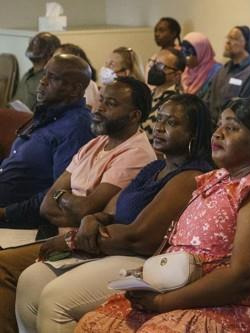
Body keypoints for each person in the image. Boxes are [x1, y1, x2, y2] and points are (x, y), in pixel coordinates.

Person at [75, 98, 250, 333]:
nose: (217, 134)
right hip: (184, 288)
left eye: (232, 128)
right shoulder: (220, 178)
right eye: (219, 125)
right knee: (95, 324)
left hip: (249, 306)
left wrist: (163, 303)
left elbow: (248, 276)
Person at [16, 94, 213, 333]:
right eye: (159, 119)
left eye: (171, 123)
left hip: (145, 259)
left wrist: (73, 240)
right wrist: (92, 219)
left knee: (55, 298)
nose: (159, 128)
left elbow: (138, 237)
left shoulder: (190, 176)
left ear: (194, 134)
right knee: (31, 279)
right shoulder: (155, 167)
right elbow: (110, 211)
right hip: (112, 246)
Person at [0, 77, 157, 333]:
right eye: (101, 100)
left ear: (134, 115)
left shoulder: (136, 153)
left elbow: (88, 211)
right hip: (60, 235)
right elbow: (47, 205)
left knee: (4, 266)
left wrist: (69, 202)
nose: (98, 108)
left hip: (90, 246)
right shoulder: (95, 143)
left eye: (111, 104)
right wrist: (71, 202)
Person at [0, 54, 94, 239]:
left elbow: (59, 192)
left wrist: (6, 213)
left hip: (20, 222)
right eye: (44, 75)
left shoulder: (77, 128)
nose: (42, 82)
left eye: (52, 78)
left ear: (75, 89)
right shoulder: (47, 114)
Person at [208, 26, 250, 124]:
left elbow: (249, 112)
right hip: (214, 127)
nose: (228, 42)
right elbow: (210, 100)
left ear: (247, 44)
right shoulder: (224, 69)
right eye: (228, 38)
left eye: (234, 38)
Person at [141, 48, 186, 142]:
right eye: (153, 63)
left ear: (177, 75)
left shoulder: (176, 102)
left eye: (160, 66)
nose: (153, 68)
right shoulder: (150, 94)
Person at [11, 32, 61, 111]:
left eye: (39, 45)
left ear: (50, 52)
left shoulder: (49, 80)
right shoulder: (27, 75)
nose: (33, 47)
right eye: (33, 44)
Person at [54, 43, 100, 110]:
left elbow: (87, 108)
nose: (53, 63)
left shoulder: (87, 84)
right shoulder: (54, 81)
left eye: (58, 60)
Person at [180, 32, 222, 103]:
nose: (184, 57)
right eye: (182, 51)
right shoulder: (185, 70)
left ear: (201, 52)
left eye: (188, 52)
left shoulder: (218, 72)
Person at [146, 17, 182, 86]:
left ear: (173, 33)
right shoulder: (156, 55)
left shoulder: (180, 55)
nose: (157, 34)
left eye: (161, 31)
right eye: (155, 30)